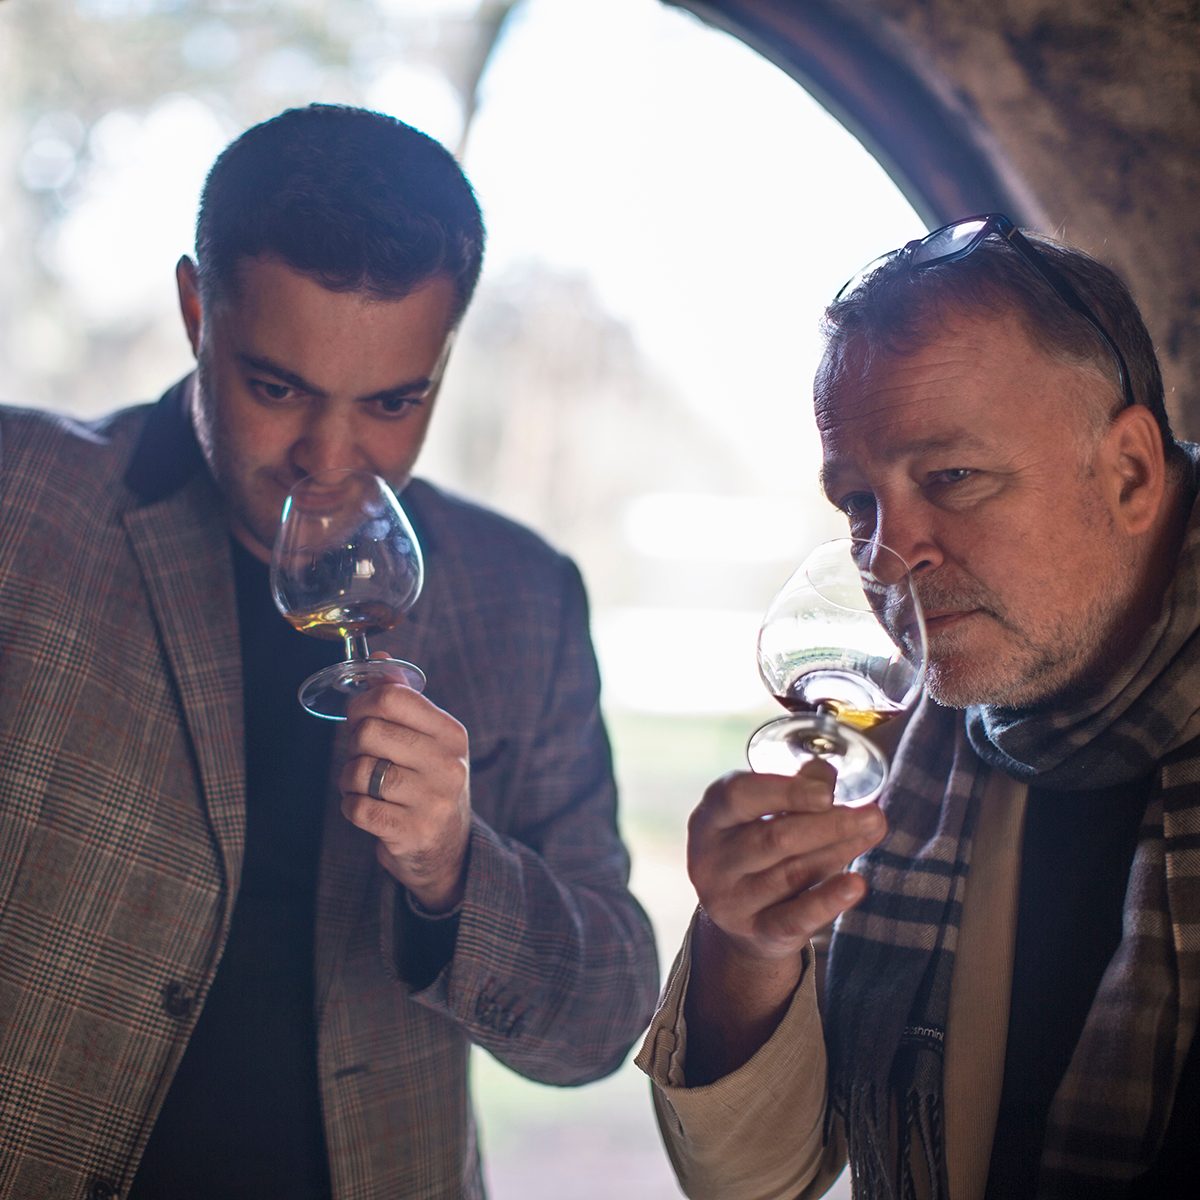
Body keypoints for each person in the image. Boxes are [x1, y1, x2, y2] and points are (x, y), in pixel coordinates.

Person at [0, 103, 659, 1200]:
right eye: (278, 388)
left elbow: (599, 1023)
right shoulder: (20, 501)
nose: (332, 457)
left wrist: (455, 869)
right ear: (196, 309)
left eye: (394, 402)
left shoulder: (523, 596)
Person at [637, 214, 1200, 1199]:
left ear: (1130, 474)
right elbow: (755, 1180)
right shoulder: (900, 745)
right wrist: (750, 946)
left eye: (952, 478)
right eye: (859, 502)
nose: (888, 561)